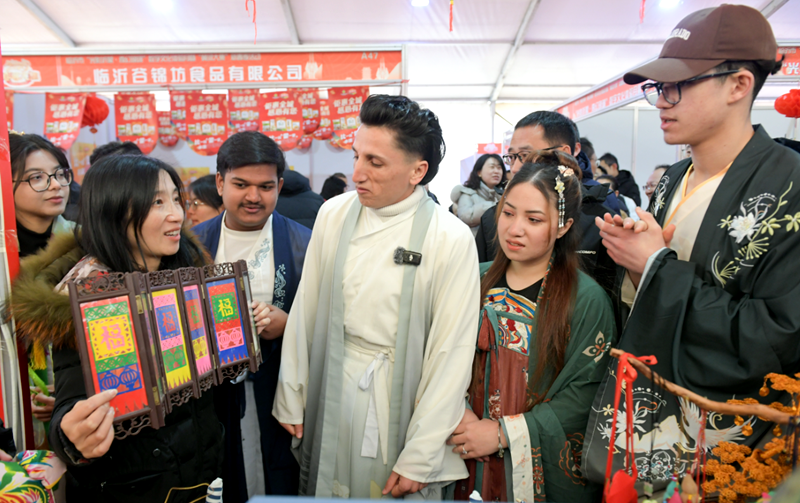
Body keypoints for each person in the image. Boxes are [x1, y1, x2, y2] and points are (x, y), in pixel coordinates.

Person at [585, 4, 797, 487]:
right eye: (658, 88)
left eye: (678, 85)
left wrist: (655, 265)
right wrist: (633, 263)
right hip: (655, 415)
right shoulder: (673, 178)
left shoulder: (791, 186)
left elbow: (776, 336)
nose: (662, 101)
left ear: (738, 85)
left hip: (735, 440)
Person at [273, 95, 480, 499]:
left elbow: (450, 354)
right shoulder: (334, 214)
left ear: (418, 171)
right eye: (356, 156)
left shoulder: (449, 237)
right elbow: (306, 310)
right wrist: (292, 393)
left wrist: (421, 454)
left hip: (398, 396)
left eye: (375, 162)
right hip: (332, 381)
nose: (357, 174)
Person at [10, 155, 224, 502]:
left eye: (175, 198)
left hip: (202, 477)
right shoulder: (91, 296)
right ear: (114, 212)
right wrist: (72, 438)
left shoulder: (184, 275)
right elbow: (71, 404)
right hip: (135, 487)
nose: (176, 214)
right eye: (157, 202)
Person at [451, 151, 615, 503]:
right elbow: (438, 355)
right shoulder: (472, 278)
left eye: (534, 219)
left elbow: (585, 393)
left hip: (532, 464)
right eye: (508, 213)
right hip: (460, 440)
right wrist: (457, 411)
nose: (515, 229)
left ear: (564, 226)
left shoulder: (586, 299)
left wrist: (502, 433)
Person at [192, 131, 312, 501]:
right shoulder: (192, 244)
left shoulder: (305, 243)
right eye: (241, 184)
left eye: (265, 186)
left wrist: (289, 323)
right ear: (220, 183)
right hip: (211, 390)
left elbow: (328, 317)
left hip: (278, 384)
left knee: (279, 477)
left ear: (279, 186)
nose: (253, 197)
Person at [475, 111, 621, 298]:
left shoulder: (600, 223)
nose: (517, 167)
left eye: (526, 155)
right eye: (512, 157)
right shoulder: (492, 219)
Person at [11, 133, 76, 425]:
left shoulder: (83, 244)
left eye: (60, 174)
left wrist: (70, 395)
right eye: (37, 177)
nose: (55, 185)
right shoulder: (4, 255)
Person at [450, 153, 504, 236]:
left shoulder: (504, 194)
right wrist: (494, 206)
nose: (496, 171)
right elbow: (465, 217)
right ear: (479, 172)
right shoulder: (468, 192)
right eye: (492, 167)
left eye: (499, 168)